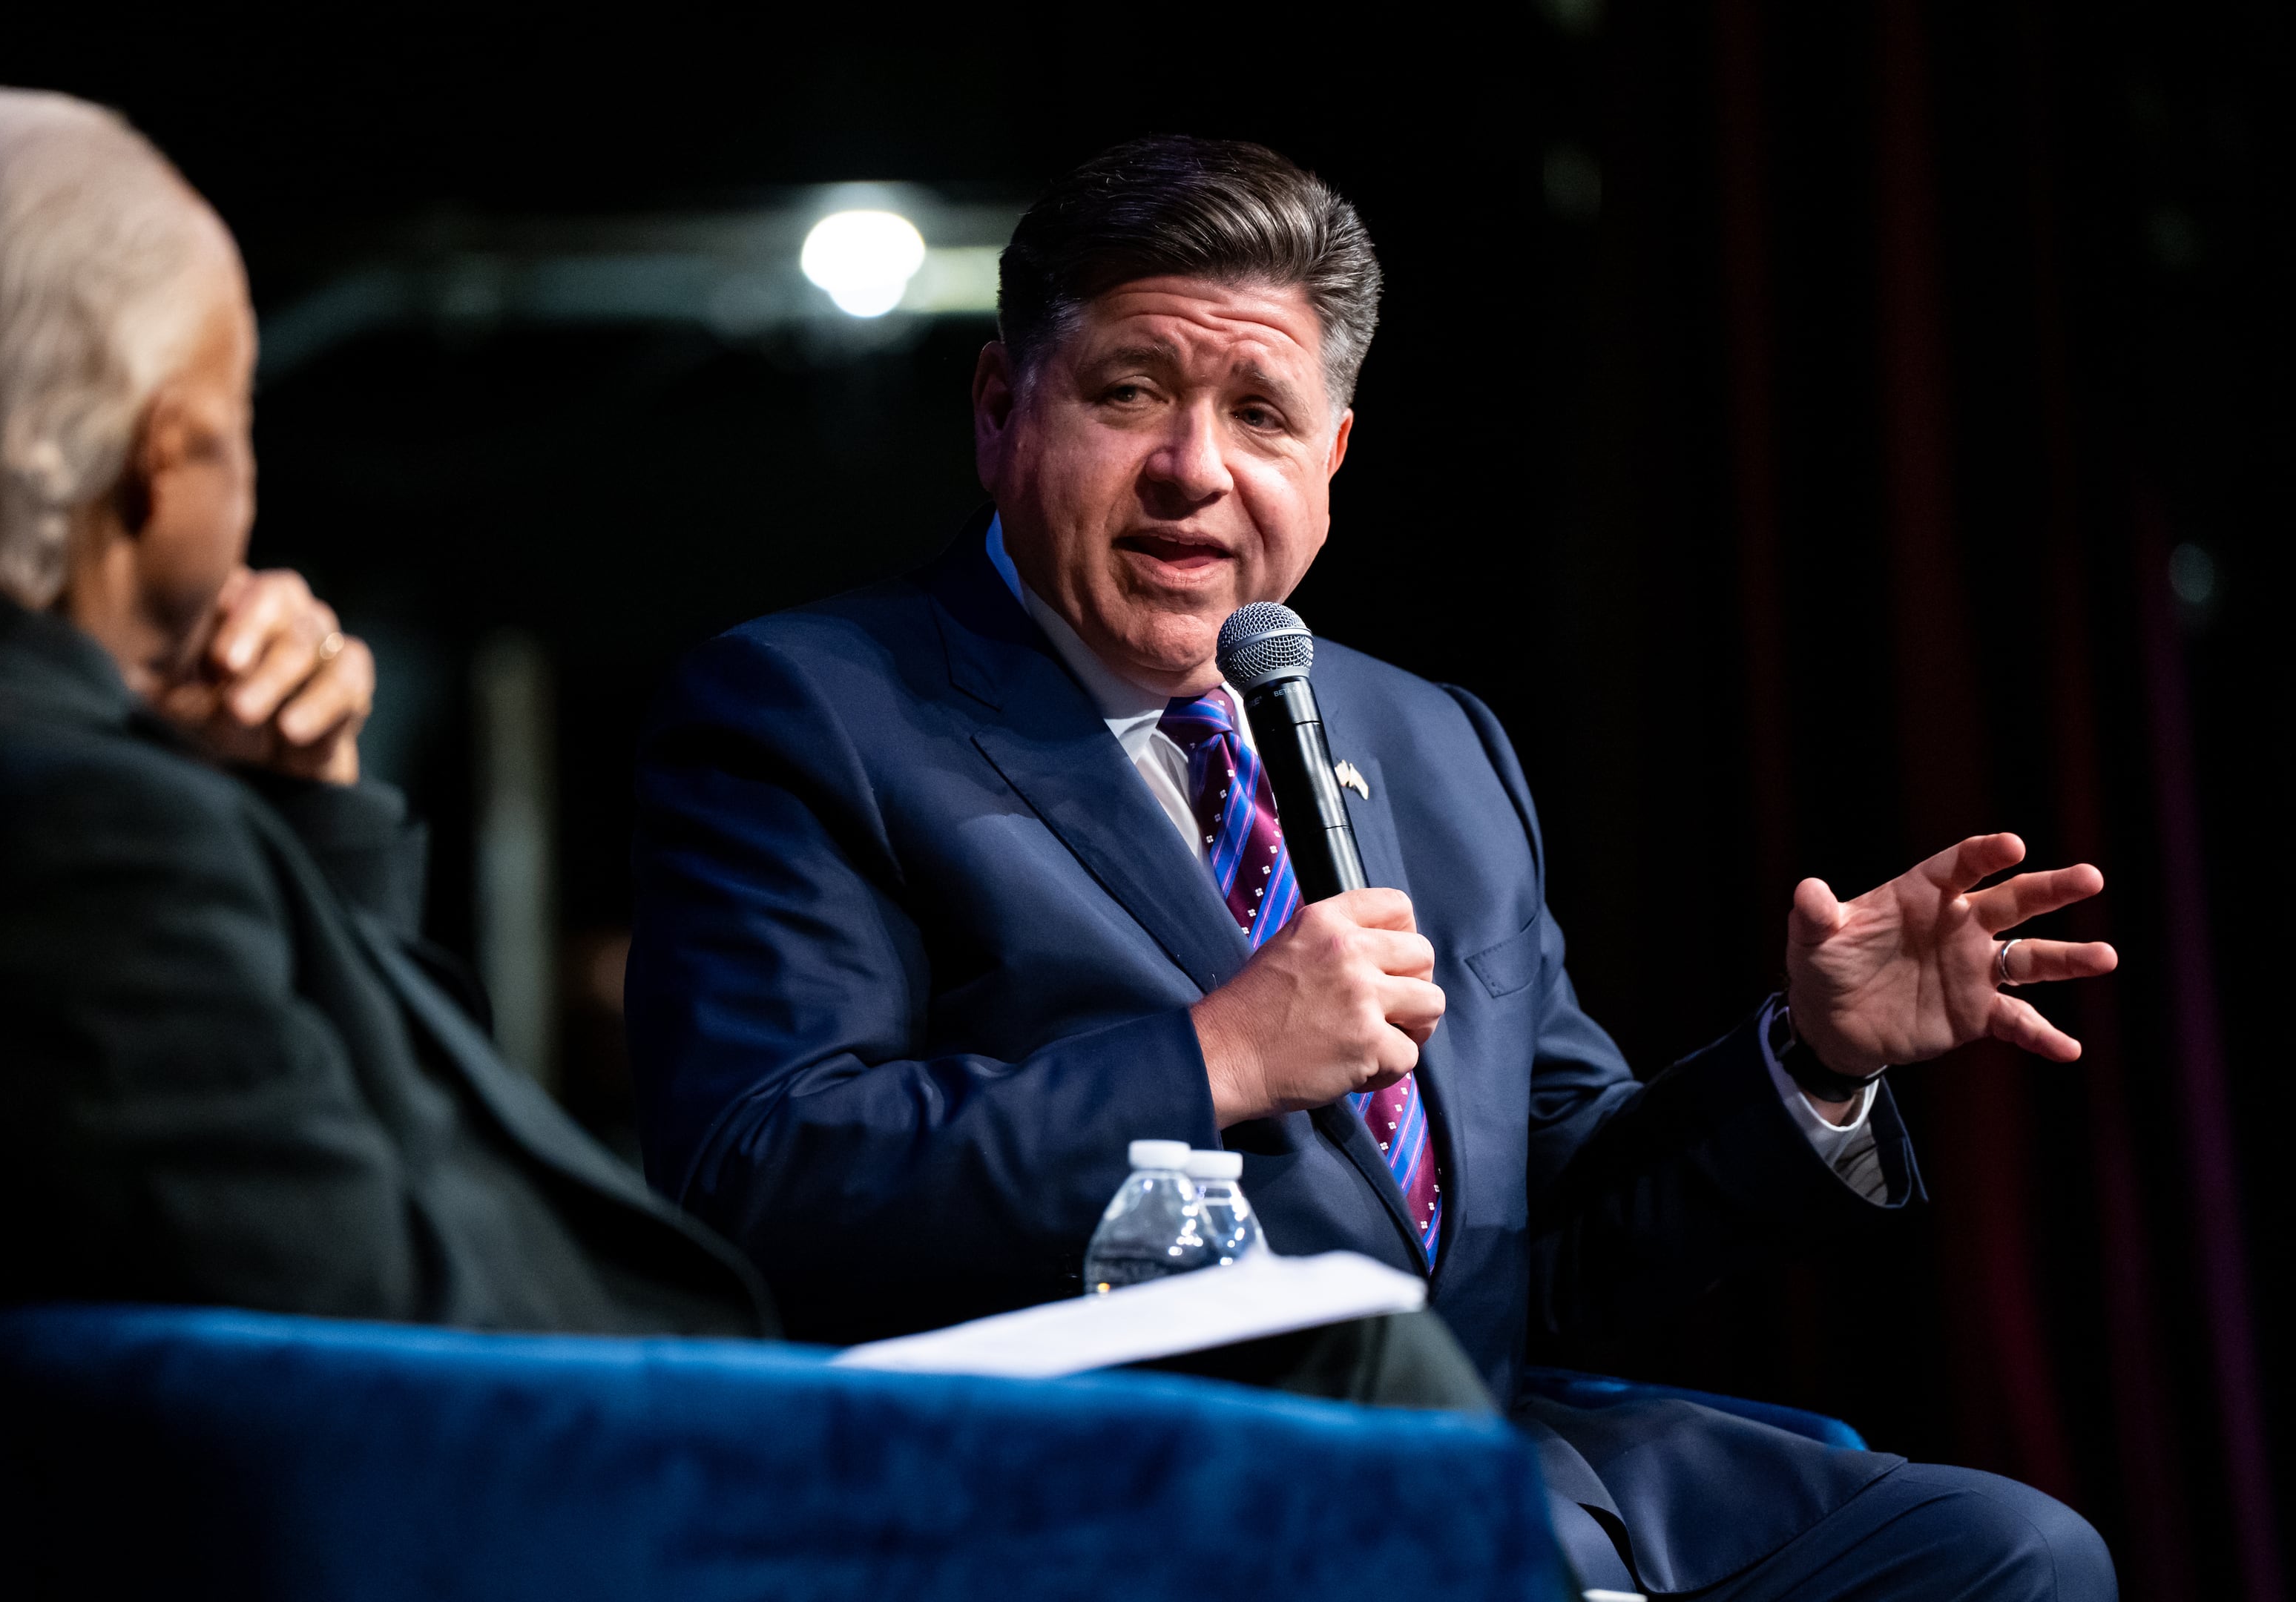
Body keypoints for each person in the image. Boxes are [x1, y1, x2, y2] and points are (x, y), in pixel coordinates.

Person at [629, 136, 2120, 1598]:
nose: (1193, 471)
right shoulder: (816, 711)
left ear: (1332, 456)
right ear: (1001, 407)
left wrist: (1810, 1061)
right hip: (1110, 1468)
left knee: (2011, 1554)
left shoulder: (1430, 739)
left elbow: (1554, 1230)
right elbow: (760, 1177)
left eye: (1261, 415)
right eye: (1129, 394)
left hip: (1489, 1453)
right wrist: (1213, 1055)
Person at [0, 88, 766, 1342]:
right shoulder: (77, 839)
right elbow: (395, 1327)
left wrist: (301, 804)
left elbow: (350, 1171)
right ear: (162, 460)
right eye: (240, 415)